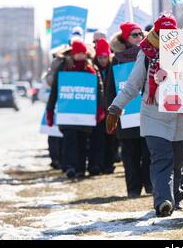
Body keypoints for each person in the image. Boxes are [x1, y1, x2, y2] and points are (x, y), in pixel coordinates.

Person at [106, 14, 183, 216]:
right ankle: (163, 202)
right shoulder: (146, 52)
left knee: (177, 161)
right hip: (153, 115)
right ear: (156, 32)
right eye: (162, 32)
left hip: (179, 116)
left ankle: (175, 197)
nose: (167, 36)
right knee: (161, 158)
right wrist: (116, 108)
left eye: (171, 32)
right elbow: (133, 84)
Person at [46, 41, 105, 179]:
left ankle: (80, 169)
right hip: (67, 113)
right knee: (69, 141)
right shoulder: (63, 68)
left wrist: (100, 109)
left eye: (83, 53)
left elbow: (99, 89)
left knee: (82, 142)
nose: (81, 55)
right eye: (79, 52)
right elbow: (55, 90)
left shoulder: (91, 68)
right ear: (73, 53)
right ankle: (69, 167)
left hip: (85, 115)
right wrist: (50, 111)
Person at [106, 22, 152, 196]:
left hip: (147, 111)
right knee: (130, 154)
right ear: (125, 38)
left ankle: (150, 185)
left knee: (148, 152)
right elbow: (110, 88)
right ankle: (133, 189)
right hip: (126, 116)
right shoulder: (116, 60)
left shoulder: (150, 54)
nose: (140, 37)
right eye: (135, 35)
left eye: (141, 34)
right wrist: (112, 111)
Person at [88, 38, 117, 175]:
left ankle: (108, 164)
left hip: (111, 108)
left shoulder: (113, 67)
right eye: (100, 57)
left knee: (110, 139)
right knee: (96, 139)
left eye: (105, 57)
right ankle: (95, 164)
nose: (103, 60)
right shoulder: (92, 68)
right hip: (96, 109)